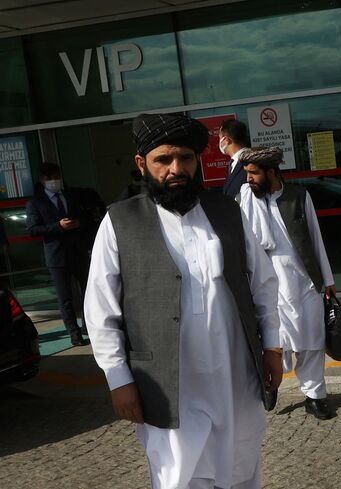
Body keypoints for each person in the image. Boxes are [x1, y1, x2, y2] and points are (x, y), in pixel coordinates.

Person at [84, 113, 283, 489]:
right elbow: (101, 310)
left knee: (240, 469)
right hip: (168, 384)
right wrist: (118, 378)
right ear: (142, 163)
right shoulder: (119, 221)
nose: (176, 169)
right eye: (164, 160)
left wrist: (272, 346)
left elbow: (264, 284)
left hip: (234, 375)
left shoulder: (226, 212)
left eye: (186, 159)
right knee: (178, 475)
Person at [238, 146, 338, 420]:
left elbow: (315, 237)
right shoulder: (246, 199)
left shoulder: (298, 196)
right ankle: (271, 385)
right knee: (275, 341)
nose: (249, 179)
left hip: (303, 279)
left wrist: (326, 279)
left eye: (254, 173)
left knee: (311, 341)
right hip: (267, 282)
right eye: (246, 173)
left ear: (271, 172)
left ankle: (315, 397)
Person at [26, 162, 104, 347]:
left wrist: (79, 223)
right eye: (49, 178)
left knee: (89, 291)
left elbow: (87, 218)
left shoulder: (71, 195)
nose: (54, 181)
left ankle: (89, 326)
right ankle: (74, 333)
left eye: (56, 177)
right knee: (65, 298)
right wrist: (57, 226)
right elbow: (32, 229)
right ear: (42, 180)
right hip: (57, 256)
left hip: (78, 251)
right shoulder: (35, 203)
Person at [219, 119, 252, 199]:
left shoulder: (252, 161)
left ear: (226, 140)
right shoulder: (233, 164)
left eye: (220, 138)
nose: (219, 142)